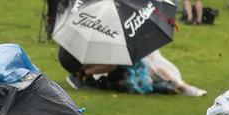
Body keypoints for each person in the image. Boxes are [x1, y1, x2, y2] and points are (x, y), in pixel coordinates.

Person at [60, 47, 206, 96]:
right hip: (90, 61)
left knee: (156, 68)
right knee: (113, 65)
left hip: (121, 68)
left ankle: (181, 86)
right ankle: (79, 75)